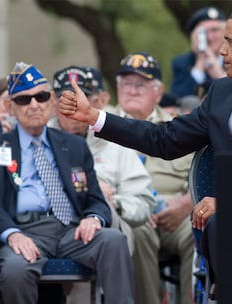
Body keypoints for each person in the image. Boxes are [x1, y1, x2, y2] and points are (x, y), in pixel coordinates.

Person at [59, 4, 232, 300]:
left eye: (230, 41)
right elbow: (165, 139)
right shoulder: (222, 94)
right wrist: (96, 117)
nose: (220, 50)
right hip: (229, 228)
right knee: (217, 223)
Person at [0, 61, 134, 304]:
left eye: (41, 96)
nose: (34, 105)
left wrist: (94, 217)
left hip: (72, 230)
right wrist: (12, 234)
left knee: (114, 241)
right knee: (15, 270)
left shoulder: (74, 145)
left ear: (52, 101)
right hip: (23, 230)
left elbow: (96, 199)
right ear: (9, 106)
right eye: (24, 100)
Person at [50, 65, 156, 303]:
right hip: (52, 226)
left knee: (115, 234)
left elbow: (143, 200)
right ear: (53, 103)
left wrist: (113, 204)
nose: (73, 103)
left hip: (105, 225)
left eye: (82, 97)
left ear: (95, 101)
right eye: (65, 98)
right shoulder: (40, 137)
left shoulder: (114, 139)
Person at [109, 51, 195, 304]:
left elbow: (200, 175)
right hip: (127, 210)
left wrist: (186, 204)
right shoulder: (100, 124)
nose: (132, 90)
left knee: (199, 230)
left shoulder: (178, 128)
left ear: (158, 92)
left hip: (175, 213)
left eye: (141, 84)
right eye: (126, 83)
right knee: (137, 231)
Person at [171, 6, 227, 99]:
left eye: (215, 30)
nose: (210, 37)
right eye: (203, 32)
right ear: (193, 36)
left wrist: (219, 74)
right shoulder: (182, 63)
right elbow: (178, 99)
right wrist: (199, 66)